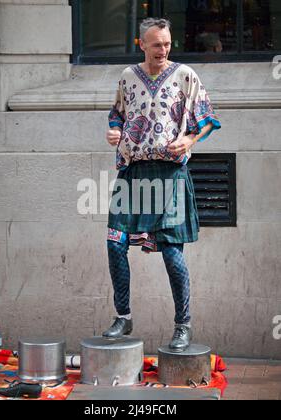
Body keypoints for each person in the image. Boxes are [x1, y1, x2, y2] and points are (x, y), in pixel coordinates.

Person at [102, 18, 221, 351]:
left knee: (171, 253)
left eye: (167, 44)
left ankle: (183, 325)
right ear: (141, 44)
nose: (163, 50)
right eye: (157, 44)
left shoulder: (185, 75)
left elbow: (208, 118)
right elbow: (116, 116)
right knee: (114, 242)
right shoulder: (127, 77)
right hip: (133, 173)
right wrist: (113, 132)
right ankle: (122, 316)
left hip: (170, 175)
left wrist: (190, 141)